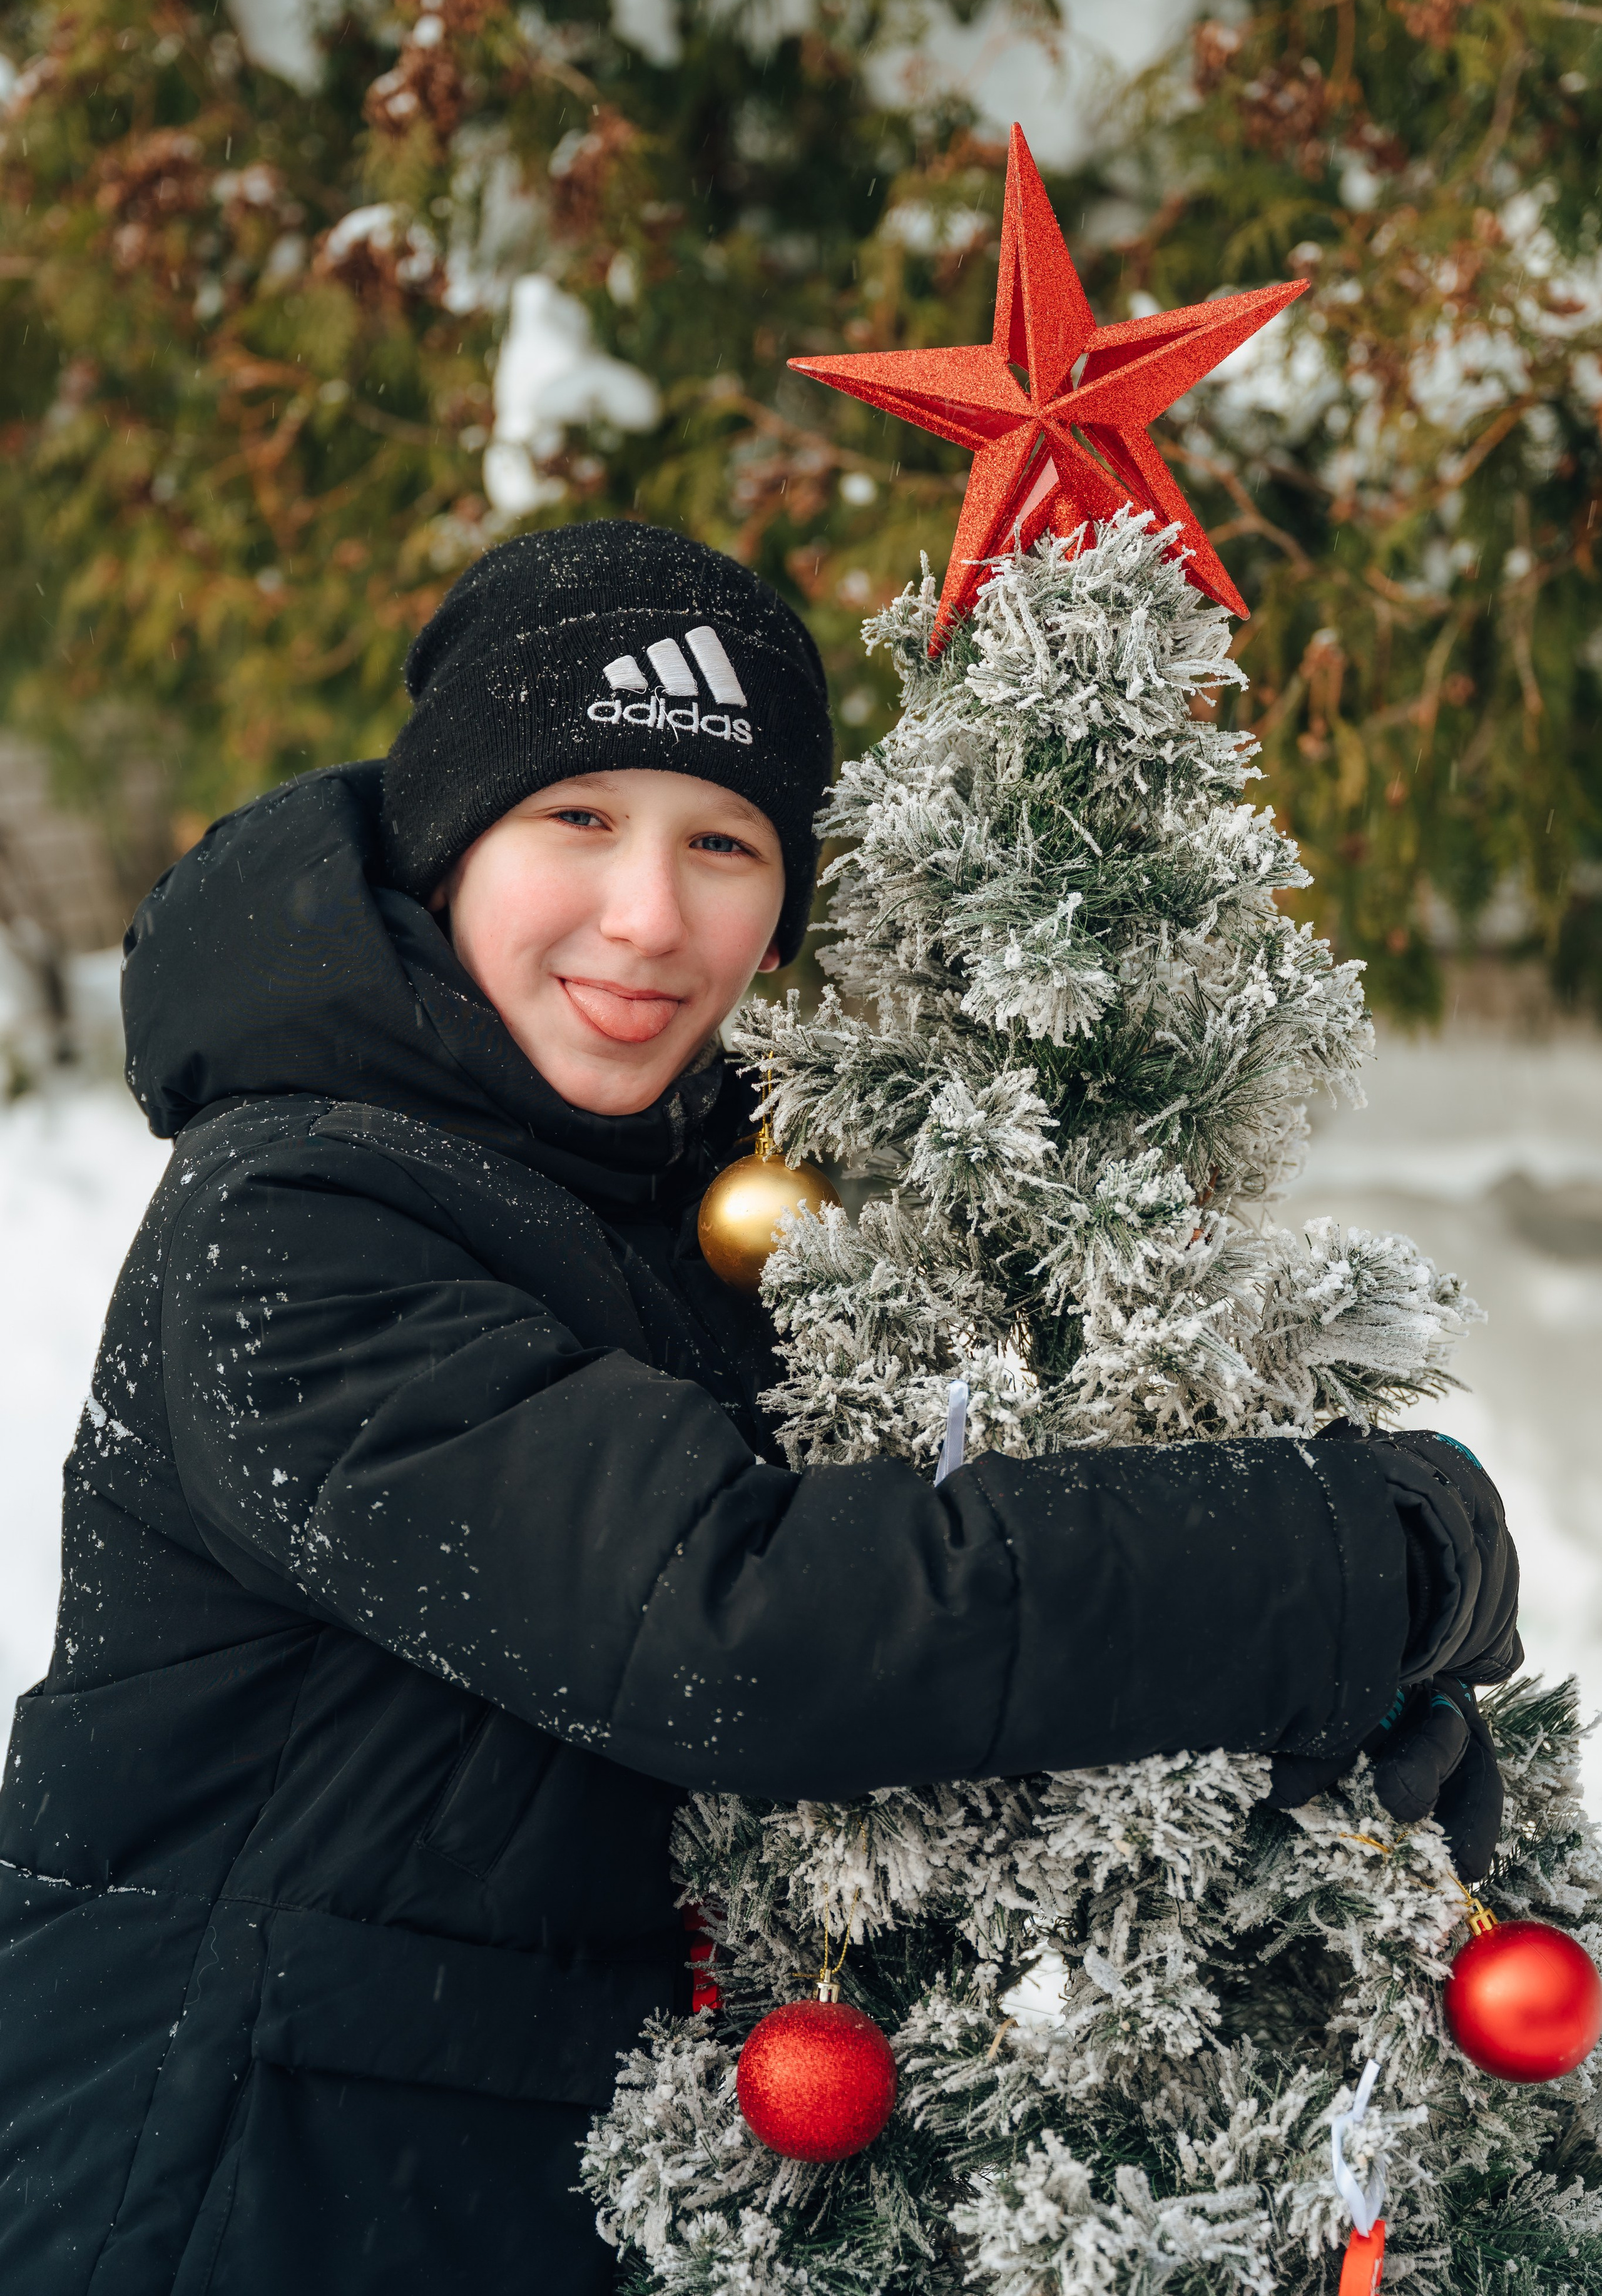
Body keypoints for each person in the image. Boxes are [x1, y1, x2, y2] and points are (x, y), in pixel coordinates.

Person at [0, 521, 1519, 2295]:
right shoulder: (297, 1221)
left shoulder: (700, 1201)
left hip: (517, 2181)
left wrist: (1288, 1739)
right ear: (443, 843)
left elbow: (938, 1569)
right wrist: (1343, 1560)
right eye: (577, 819)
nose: (649, 917)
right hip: (218, 2190)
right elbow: (737, 1627)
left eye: (722, 843)